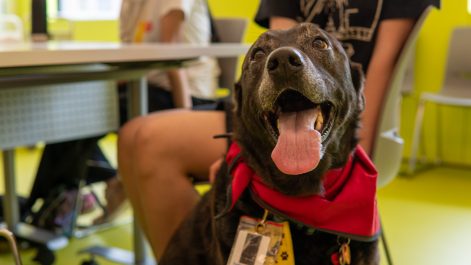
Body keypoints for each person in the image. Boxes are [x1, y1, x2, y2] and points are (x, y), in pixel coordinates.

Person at [117, 0, 439, 259]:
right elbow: (279, 49)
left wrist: (353, 173)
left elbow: (381, 68)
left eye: (317, 44)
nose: (284, 58)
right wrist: (237, 151)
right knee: (134, 135)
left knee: (148, 141)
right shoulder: (274, 66)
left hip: (345, 110)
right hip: (267, 109)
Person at [23, 0, 219, 229]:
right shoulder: (130, 4)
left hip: (181, 92)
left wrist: (185, 116)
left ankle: (47, 202)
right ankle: (72, 193)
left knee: (78, 117)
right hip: (144, 84)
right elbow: (128, 56)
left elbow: (172, 57)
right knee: (73, 114)